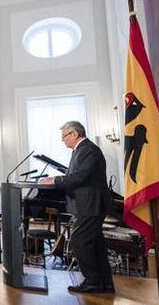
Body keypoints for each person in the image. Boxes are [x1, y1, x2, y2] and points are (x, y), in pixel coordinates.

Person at [39, 121, 113, 294]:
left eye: (64, 136)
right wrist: (57, 179)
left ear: (74, 134)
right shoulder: (80, 150)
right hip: (87, 204)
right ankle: (104, 283)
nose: (63, 140)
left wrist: (55, 180)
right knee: (95, 244)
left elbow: (79, 177)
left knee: (79, 242)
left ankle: (93, 281)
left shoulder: (88, 150)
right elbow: (74, 175)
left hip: (90, 205)